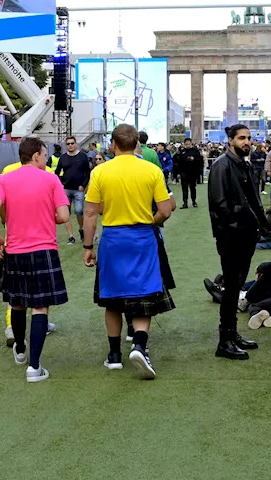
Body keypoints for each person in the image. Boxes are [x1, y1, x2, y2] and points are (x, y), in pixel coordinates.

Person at [82, 124, 175, 380]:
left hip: (113, 239)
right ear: (136, 144)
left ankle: (114, 356)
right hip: (143, 238)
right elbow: (166, 210)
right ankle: (140, 347)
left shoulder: (100, 172)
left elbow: (90, 213)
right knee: (144, 293)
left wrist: (88, 246)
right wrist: (151, 220)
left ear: (113, 144)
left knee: (111, 297)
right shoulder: (152, 170)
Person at [0, 137, 70, 383]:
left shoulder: (5, 179)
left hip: (15, 250)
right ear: (36, 155)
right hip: (44, 249)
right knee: (40, 307)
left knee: (17, 303)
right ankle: (34, 367)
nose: (47, 160)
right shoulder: (51, 179)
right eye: (45, 156)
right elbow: (64, 215)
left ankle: (21, 349)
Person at [207, 123, 271, 360]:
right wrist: (234, 228)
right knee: (232, 287)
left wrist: (259, 227)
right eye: (242, 138)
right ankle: (225, 341)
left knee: (236, 287)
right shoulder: (221, 166)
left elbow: (253, 199)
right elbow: (219, 204)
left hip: (246, 234)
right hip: (232, 236)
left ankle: (232, 334)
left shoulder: (242, 164)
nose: (247, 141)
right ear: (230, 140)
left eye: (249, 138)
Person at [54, 135, 92, 245]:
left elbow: (87, 173)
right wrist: (60, 184)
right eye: (68, 144)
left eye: (72, 143)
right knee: (66, 213)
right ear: (66, 146)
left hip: (78, 189)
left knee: (79, 211)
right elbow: (57, 172)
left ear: (76, 144)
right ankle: (71, 236)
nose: (70, 145)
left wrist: (83, 185)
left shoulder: (83, 156)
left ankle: (81, 229)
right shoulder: (63, 157)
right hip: (66, 189)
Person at [175, 138, 204, 209]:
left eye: (189, 144)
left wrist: (194, 159)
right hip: (184, 173)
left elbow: (200, 161)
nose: (188, 145)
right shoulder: (181, 152)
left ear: (191, 144)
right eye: (186, 144)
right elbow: (177, 163)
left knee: (193, 188)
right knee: (184, 189)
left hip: (193, 173)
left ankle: (194, 202)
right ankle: (185, 203)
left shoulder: (195, 151)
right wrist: (178, 173)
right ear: (184, 144)